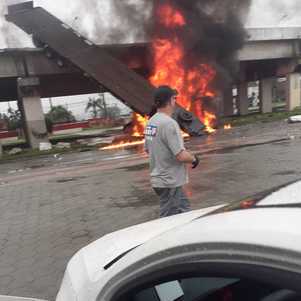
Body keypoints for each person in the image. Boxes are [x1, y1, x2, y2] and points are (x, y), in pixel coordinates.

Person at [144, 85, 200, 218]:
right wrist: (194, 159)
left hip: (159, 180)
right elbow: (180, 155)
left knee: (183, 214)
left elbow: (147, 149)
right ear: (170, 100)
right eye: (175, 98)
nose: (175, 102)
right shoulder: (169, 123)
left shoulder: (151, 122)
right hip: (170, 182)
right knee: (170, 221)